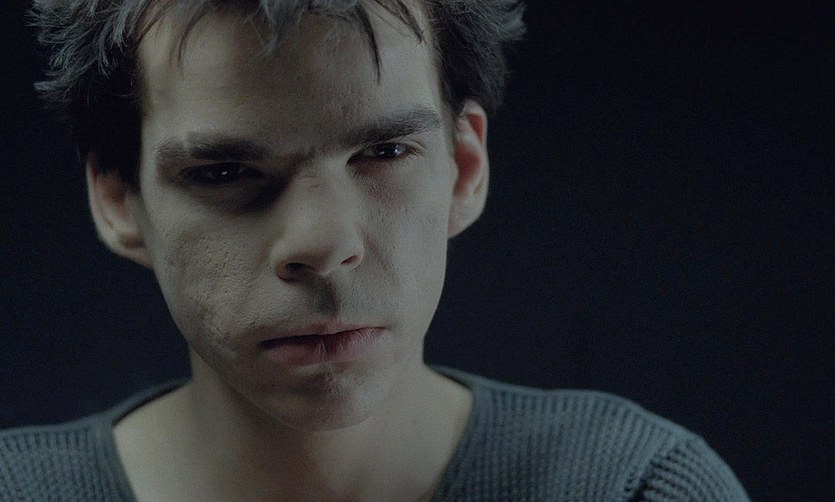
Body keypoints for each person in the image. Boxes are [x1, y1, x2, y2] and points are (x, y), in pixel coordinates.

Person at [1, 1, 749, 500]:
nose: (324, 245)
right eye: (224, 172)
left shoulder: (635, 489)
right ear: (117, 198)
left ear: (464, 168)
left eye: (385, 151)